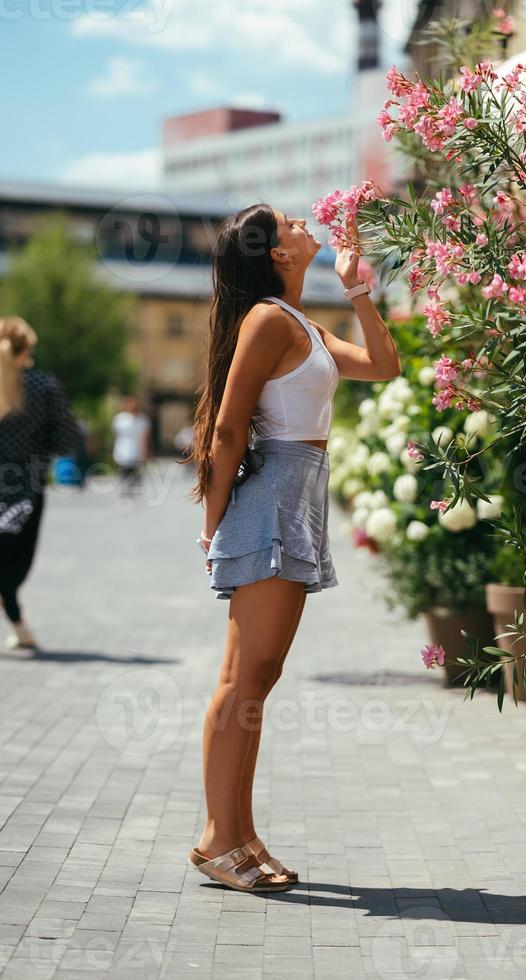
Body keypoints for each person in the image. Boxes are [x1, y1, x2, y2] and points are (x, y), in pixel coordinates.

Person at [187, 205, 401, 893]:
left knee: (258, 677)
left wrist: (356, 286)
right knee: (245, 680)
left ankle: (238, 835)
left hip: (296, 498)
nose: (304, 221)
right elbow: (225, 428)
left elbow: (382, 365)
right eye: (287, 221)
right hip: (273, 501)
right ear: (276, 253)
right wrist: (212, 525)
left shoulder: (298, 322)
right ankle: (220, 839)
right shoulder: (267, 321)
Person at [0, 317, 80, 650]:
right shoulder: (43, 386)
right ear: (26, 349)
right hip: (26, 487)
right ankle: (20, 625)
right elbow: (65, 440)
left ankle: (20, 626)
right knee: (15, 563)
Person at [111, 395, 151, 494]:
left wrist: (145, 451)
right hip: (122, 449)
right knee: (123, 470)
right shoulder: (119, 418)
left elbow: (145, 437)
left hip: (136, 450)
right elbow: (115, 435)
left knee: (135, 472)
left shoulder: (142, 419)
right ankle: (124, 490)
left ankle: (135, 490)